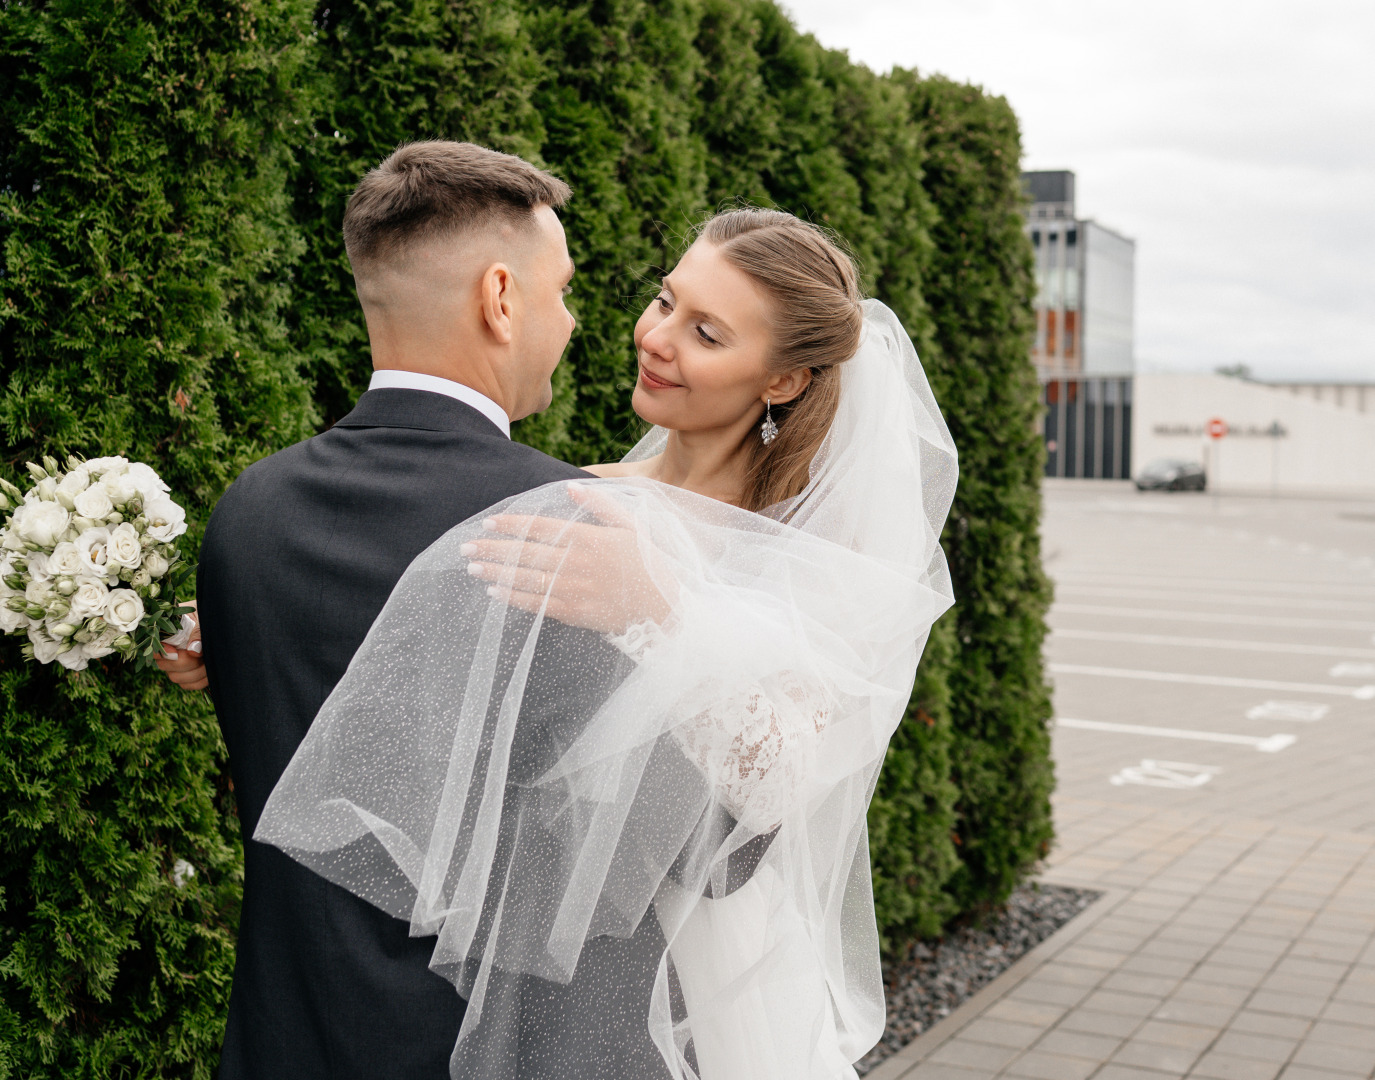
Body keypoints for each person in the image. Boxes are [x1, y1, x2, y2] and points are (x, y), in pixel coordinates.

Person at [167, 196, 958, 1076]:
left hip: (680, 970)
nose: (656, 339)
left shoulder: (800, 557)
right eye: (665, 301)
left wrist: (659, 614)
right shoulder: (580, 494)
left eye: (705, 333)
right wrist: (242, 627)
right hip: (517, 959)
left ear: (781, 381)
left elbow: (771, 799)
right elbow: (456, 673)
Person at [171, 140, 585, 1080]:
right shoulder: (565, 532)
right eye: (561, 291)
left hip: (282, 1045)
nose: (569, 321)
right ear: (499, 296)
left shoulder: (248, 514)